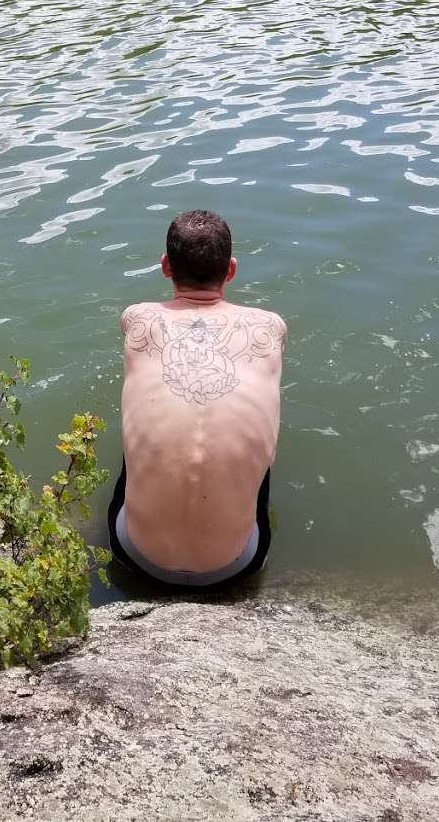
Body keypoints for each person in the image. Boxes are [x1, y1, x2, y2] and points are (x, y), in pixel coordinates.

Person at [108, 209, 285, 592]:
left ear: (165, 266)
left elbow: (135, 324)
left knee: (144, 426)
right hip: (236, 566)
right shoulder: (270, 327)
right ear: (231, 270)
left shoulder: (138, 318)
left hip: (135, 555)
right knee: (252, 435)